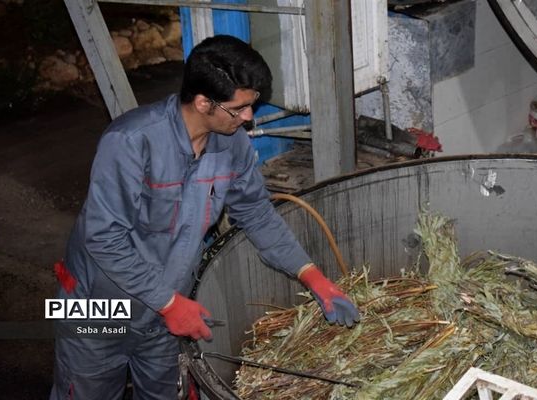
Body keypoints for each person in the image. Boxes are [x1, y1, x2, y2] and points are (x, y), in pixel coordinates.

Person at [50, 34, 360, 400]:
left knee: (168, 393)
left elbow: (257, 214)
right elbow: (103, 239)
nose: (248, 118)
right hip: (97, 308)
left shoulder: (232, 144)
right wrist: (168, 302)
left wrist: (312, 276)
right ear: (202, 102)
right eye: (239, 108)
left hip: (168, 310)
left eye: (252, 105)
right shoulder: (131, 141)